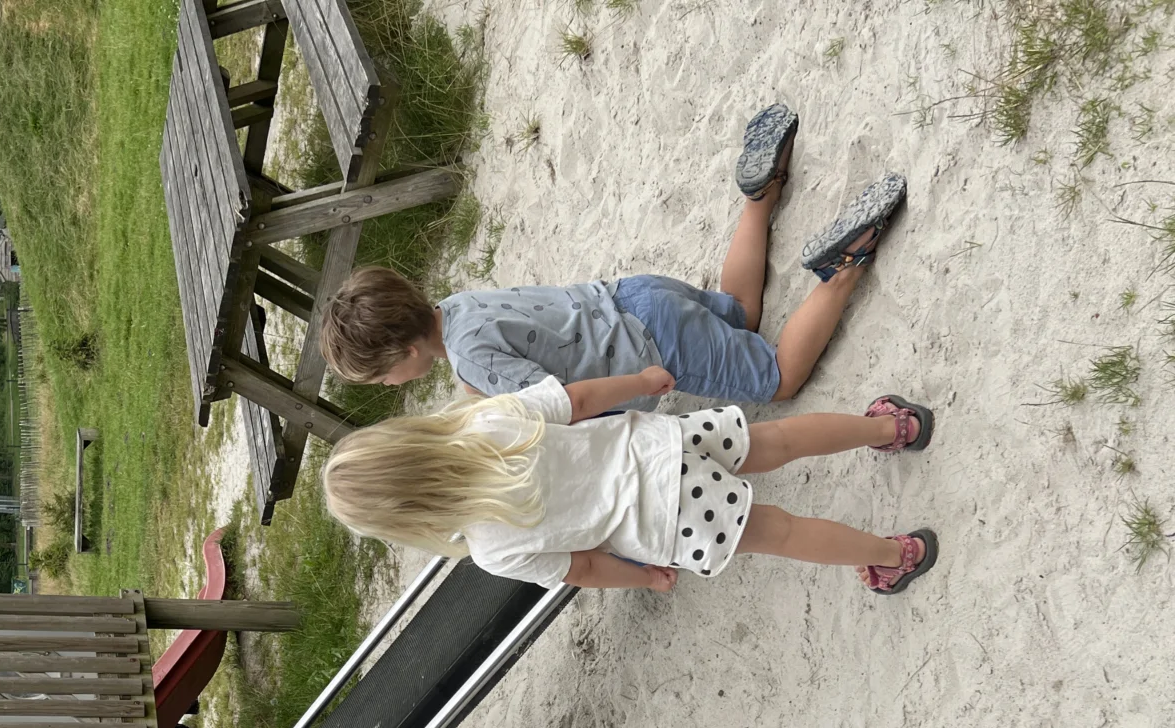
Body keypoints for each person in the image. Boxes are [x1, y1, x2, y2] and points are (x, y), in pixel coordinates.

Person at [317, 104, 907, 408]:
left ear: (407, 351)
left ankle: (841, 269)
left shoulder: (470, 360)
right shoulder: (457, 308)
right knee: (738, 315)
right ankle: (759, 198)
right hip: (635, 296)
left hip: (652, 349)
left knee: (776, 378)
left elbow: (564, 404)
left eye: (383, 375)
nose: (392, 385)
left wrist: (643, 386)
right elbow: (504, 352)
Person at [319, 367, 939, 596]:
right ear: (403, 437)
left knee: (778, 530)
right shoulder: (487, 420)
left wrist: (645, 575)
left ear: (404, 523)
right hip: (661, 443)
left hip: (666, 519)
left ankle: (895, 555)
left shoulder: (492, 548)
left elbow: (583, 567)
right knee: (773, 440)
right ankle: (891, 429)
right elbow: (580, 397)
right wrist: (641, 383)